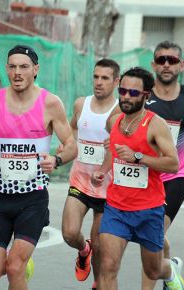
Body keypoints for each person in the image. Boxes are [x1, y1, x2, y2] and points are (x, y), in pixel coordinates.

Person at [0, 44, 77, 290]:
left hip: (33, 199)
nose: (17, 72)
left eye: (24, 67)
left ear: (35, 70)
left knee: (13, 267)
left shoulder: (50, 103)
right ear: (6, 69)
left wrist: (57, 160)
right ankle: (24, 265)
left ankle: (20, 264)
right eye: (13, 67)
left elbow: (71, 144)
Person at [91, 67, 184, 290]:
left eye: (133, 93)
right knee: (108, 266)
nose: (126, 96)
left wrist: (138, 157)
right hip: (116, 208)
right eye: (123, 91)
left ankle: (171, 269)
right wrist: (102, 171)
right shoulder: (114, 122)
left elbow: (173, 163)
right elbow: (114, 152)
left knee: (153, 270)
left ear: (146, 95)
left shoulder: (156, 124)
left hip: (149, 210)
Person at [142, 40, 184, 290]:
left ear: (181, 65)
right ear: (153, 65)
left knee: (150, 236)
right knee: (156, 235)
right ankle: (171, 269)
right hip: (144, 176)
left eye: (172, 60)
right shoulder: (142, 94)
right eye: (161, 60)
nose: (166, 65)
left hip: (174, 177)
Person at [62, 59, 120, 290]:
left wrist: (108, 160)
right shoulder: (81, 104)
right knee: (69, 233)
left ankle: (98, 283)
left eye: (105, 78)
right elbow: (72, 126)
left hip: (107, 188)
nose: (99, 82)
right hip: (80, 180)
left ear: (116, 82)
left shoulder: (118, 111)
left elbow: (123, 145)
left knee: (100, 243)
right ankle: (82, 251)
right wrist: (68, 144)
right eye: (96, 77)